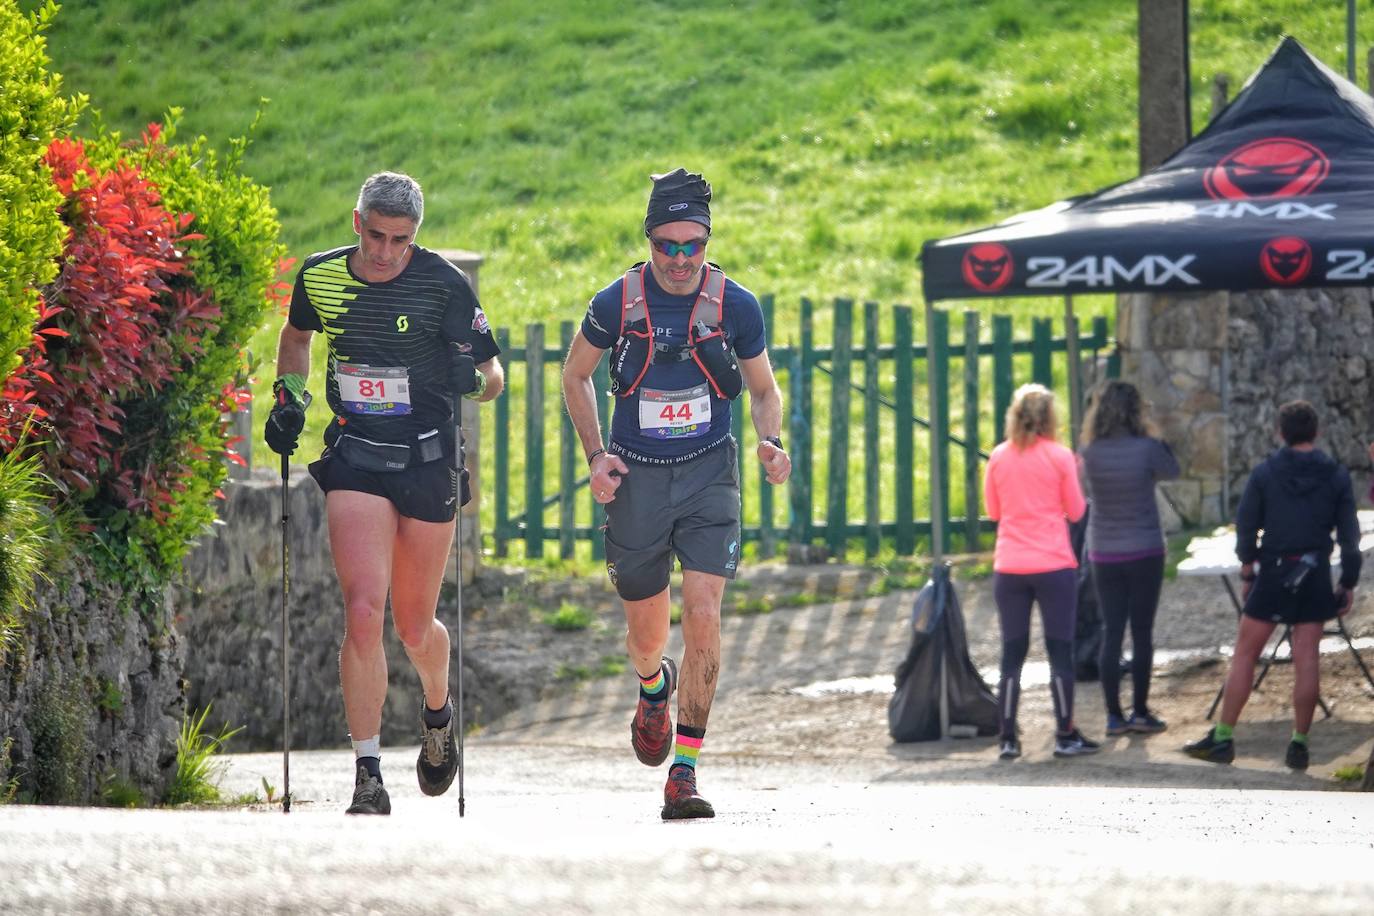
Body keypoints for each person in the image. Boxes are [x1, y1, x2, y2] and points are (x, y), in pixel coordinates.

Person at [264, 171, 504, 815]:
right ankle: (367, 772)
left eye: (400, 239)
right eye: (375, 235)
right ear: (356, 222)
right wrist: (289, 398)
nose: (385, 251)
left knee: (413, 625)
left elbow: (492, 377)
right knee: (364, 610)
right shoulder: (319, 276)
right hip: (357, 455)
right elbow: (296, 336)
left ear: (414, 235)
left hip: (427, 460)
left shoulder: (442, 284)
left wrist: (470, 381)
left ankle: (436, 713)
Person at [560, 168, 790, 820]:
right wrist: (596, 455)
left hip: (709, 475)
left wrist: (771, 442)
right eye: (668, 245)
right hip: (637, 478)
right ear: (650, 240)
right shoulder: (617, 303)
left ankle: (684, 772)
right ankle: (652, 687)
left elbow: (765, 389)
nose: (681, 259)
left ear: (708, 240)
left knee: (705, 612)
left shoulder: (736, 306)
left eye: (693, 245)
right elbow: (575, 377)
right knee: (645, 635)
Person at [1185, 400, 1359, 771]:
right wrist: (1348, 581)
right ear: (1318, 432)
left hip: (1275, 571)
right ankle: (1299, 743)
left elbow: (1247, 525)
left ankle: (1224, 737)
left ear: (1280, 432)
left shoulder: (1265, 473)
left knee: (1246, 653)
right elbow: (1349, 537)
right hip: (1313, 574)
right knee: (1307, 657)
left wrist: (1248, 570)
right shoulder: (1337, 476)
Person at [983, 383, 1096, 760]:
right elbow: (1077, 511)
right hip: (1053, 563)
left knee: (1011, 653)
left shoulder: (999, 456)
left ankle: (1008, 738)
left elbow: (994, 512)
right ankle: (1065, 732)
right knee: (1059, 650)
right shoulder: (1061, 456)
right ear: (1051, 418)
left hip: (1011, 564)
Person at [1078, 380, 1180, 737]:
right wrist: (1157, 434)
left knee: (1111, 631)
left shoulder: (1089, 452)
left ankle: (1112, 716)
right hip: (1145, 549)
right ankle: (1139, 711)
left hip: (1104, 551)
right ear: (1137, 411)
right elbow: (1173, 469)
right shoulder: (1147, 448)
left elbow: (1081, 493)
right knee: (1142, 632)